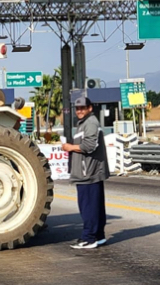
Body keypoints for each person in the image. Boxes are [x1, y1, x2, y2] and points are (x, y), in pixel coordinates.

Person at [61, 96, 109, 250]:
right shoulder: (84, 123)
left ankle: (89, 238)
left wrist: (70, 147)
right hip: (89, 171)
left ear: (90, 108)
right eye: (77, 108)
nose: (79, 111)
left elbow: (89, 145)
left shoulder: (90, 123)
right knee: (95, 206)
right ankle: (98, 236)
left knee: (88, 206)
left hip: (88, 173)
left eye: (83, 108)